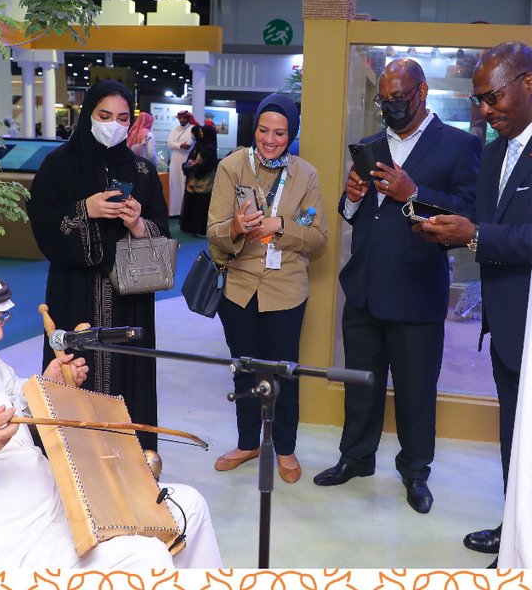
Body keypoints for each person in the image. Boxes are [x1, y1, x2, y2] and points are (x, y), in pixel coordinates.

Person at [0, 260, 223, 569]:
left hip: (61, 508)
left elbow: (17, 409)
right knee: (145, 555)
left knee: (188, 506)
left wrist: (45, 386)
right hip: (5, 546)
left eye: (1, 320)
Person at [312, 59, 482, 514]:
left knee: (415, 392)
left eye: (398, 99)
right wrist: (351, 199)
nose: (390, 108)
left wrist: (414, 193)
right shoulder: (371, 145)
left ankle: (415, 472)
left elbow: (468, 213)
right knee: (360, 385)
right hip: (364, 289)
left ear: (422, 92)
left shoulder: (460, 145)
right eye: (383, 101)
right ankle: (356, 458)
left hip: (417, 292)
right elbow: (356, 216)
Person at [415, 42, 531, 556]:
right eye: (478, 99)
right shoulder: (492, 154)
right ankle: (516, 533)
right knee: (514, 440)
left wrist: (476, 235)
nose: (484, 110)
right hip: (506, 328)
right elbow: (479, 221)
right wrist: (440, 227)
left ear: (528, 82)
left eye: (493, 97)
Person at [26, 80, 169, 451]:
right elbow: (42, 227)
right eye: (104, 116)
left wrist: (138, 224)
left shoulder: (142, 172)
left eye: (122, 118)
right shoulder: (58, 166)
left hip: (129, 300)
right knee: (73, 372)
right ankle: (71, 466)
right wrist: (84, 210)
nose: (113, 125)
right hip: (73, 295)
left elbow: (163, 236)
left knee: (129, 378)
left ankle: (133, 463)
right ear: (88, 114)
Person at [207, 93, 327, 484]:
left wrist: (282, 227)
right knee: (244, 370)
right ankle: (247, 443)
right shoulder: (231, 167)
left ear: (291, 134)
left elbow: (318, 236)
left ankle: (285, 448)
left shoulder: (305, 174)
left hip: (286, 290)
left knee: (283, 373)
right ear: (254, 128)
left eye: (280, 133)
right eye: (263, 130)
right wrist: (235, 227)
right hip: (239, 287)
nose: (270, 140)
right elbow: (213, 233)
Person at [180, 124, 218, 237]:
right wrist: (190, 164)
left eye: (202, 132)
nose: (200, 134)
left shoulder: (209, 149)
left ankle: (200, 229)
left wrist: (196, 165)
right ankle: (190, 227)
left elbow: (208, 166)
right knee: (193, 204)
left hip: (204, 182)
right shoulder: (199, 145)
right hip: (194, 180)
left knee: (201, 206)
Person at [167, 109, 198, 216]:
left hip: (186, 160)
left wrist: (176, 145)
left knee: (183, 183)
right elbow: (169, 144)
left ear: (188, 118)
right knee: (173, 184)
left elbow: (189, 145)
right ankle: (173, 211)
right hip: (174, 161)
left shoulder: (192, 129)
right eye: (180, 118)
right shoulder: (175, 130)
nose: (182, 119)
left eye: (184, 117)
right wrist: (180, 145)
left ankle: (183, 212)